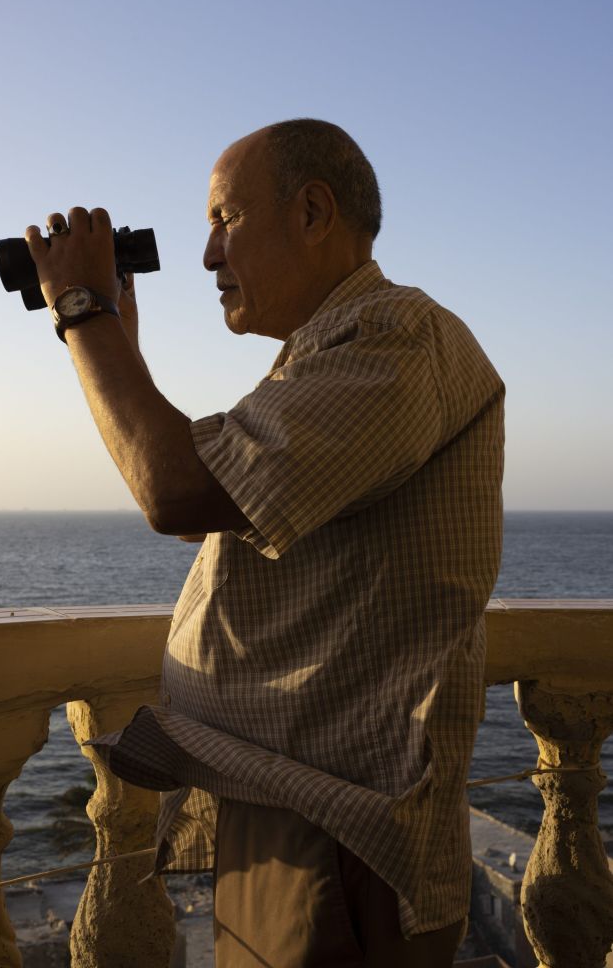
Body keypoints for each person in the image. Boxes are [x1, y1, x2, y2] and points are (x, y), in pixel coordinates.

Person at [25, 119, 504, 967]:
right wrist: (117, 345)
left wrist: (82, 309)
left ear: (313, 211)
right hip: (302, 816)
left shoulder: (393, 337)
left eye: (225, 219)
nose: (207, 255)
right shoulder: (322, 358)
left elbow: (174, 492)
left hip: (340, 836)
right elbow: (220, 507)